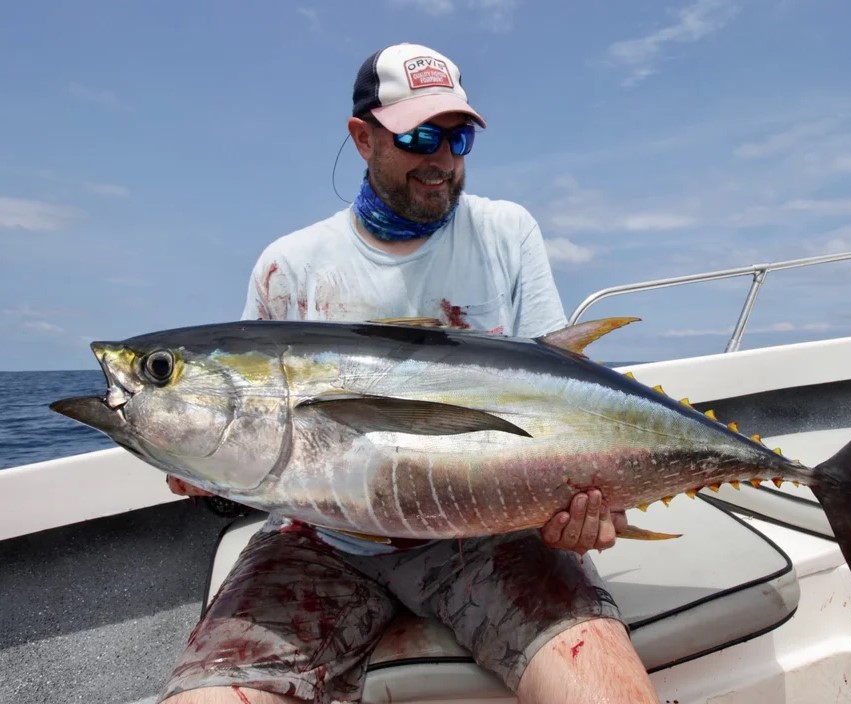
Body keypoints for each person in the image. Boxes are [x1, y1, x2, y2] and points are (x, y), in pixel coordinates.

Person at [161, 43, 659, 704]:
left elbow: (562, 398)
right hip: (320, 539)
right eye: (418, 136)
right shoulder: (290, 266)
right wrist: (209, 477)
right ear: (362, 137)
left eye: (457, 139)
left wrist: (579, 506)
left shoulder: (506, 233)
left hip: (489, 533)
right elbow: (262, 446)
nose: (441, 159)